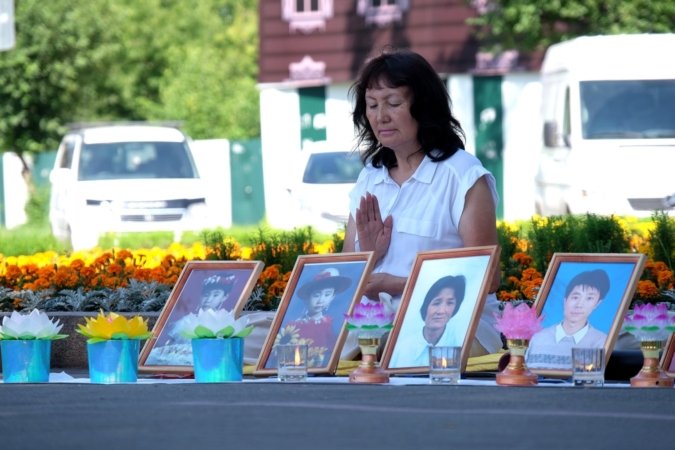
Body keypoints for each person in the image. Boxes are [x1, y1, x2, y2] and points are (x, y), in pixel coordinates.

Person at [342, 48, 502, 357]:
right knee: (286, 339)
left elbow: (487, 277)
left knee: (379, 348)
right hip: (376, 324)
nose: (380, 116)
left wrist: (396, 284)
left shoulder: (463, 175)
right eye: (372, 105)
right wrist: (369, 255)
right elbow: (351, 277)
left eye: (393, 103)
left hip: (452, 322)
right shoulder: (369, 178)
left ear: (424, 107)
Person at [526, 269, 610, 370]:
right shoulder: (539, 338)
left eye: (589, 298)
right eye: (575, 297)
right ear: (565, 300)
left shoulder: (601, 342)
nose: (579, 305)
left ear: (597, 304)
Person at [146, 273, 236, 366]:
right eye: (206, 294)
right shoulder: (184, 322)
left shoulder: (225, 322)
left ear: (225, 297)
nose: (208, 299)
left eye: (215, 295)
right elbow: (168, 348)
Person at [277, 268, 352, 368]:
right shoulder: (293, 326)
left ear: (332, 297)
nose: (321, 300)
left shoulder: (331, 323)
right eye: (316, 295)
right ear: (307, 298)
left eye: (327, 295)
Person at [389, 274, 466, 367]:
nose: (441, 311)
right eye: (436, 303)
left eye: (450, 303)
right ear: (425, 306)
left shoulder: (461, 344)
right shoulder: (402, 349)